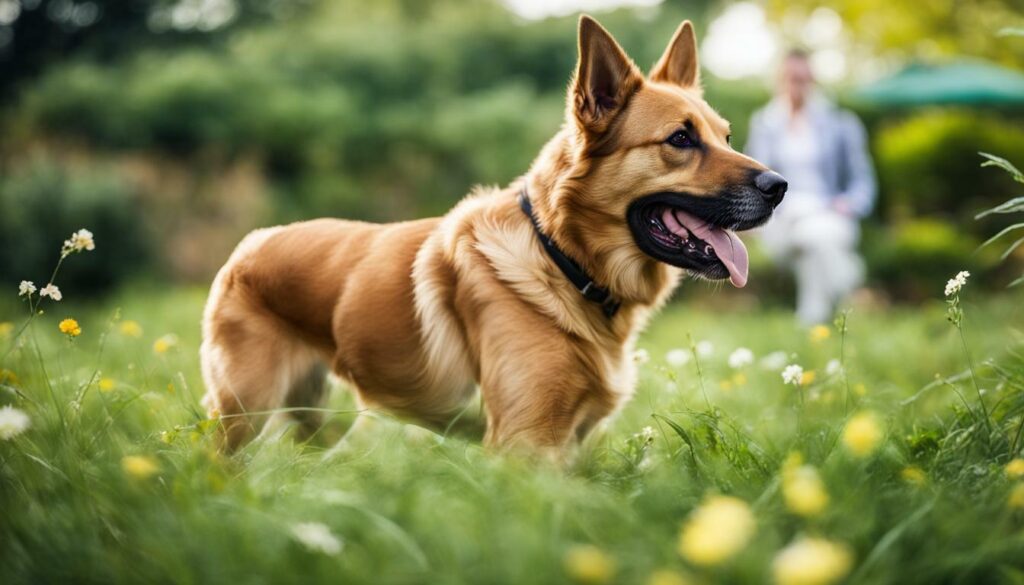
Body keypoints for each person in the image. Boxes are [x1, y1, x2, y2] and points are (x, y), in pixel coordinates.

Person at [746, 49, 876, 326]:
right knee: (815, 237)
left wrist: (849, 204)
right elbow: (754, 178)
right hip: (781, 220)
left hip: (830, 215)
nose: (798, 86)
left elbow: (864, 183)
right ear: (779, 80)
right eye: (792, 78)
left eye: (804, 79)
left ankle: (810, 320)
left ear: (813, 80)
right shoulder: (765, 124)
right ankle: (849, 283)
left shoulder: (841, 123)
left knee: (815, 239)